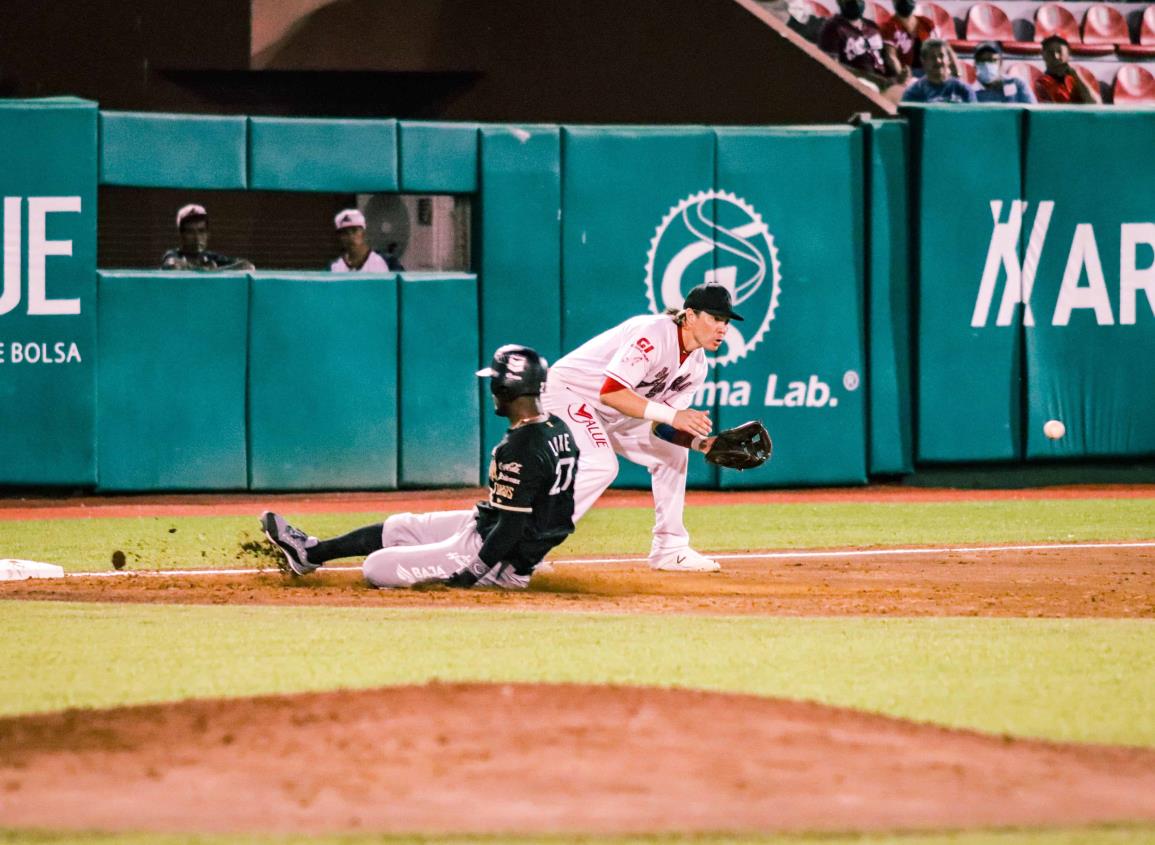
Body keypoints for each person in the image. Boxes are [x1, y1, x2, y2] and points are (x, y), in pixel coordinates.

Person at [261, 344, 580, 590]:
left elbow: (511, 527)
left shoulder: (520, 447)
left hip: (499, 557)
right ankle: (310, 554)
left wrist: (469, 575)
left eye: (494, 382)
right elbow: (549, 514)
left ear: (506, 389)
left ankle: (507, 575)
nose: (491, 390)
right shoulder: (557, 427)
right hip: (495, 531)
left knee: (376, 567)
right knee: (401, 526)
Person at [540, 283, 741, 573]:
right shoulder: (653, 333)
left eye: (725, 321)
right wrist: (674, 416)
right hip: (569, 394)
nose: (722, 328)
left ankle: (670, 548)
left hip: (614, 413)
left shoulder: (697, 365)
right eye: (714, 318)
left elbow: (662, 426)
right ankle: (527, 546)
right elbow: (611, 392)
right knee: (601, 465)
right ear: (689, 316)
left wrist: (700, 444)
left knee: (672, 453)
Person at [818, 0, 905, 96]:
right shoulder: (832, 28)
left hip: (886, 82)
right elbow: (832, 66)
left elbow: (887, 57)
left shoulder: (872, 26)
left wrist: (899, 75)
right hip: (858, 85)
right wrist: (875, 79)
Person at [160, 204, 255, 271]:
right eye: (190, 232)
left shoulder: (211, 257)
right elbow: (172, 265)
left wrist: (215, 270)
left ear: (207, 234)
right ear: (181, 235)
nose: (197, 237)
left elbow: (246, 265)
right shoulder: (173, 254)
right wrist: (206, 270)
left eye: (201, 231)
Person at [901, 39, 976, 102]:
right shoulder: (913, 92)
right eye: (932, 57)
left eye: (941, 56)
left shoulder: (964, 90)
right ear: (923, 61)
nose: (938, 61)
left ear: (949, 59)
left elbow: (974, 117)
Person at [1035, 35, 1102, 104]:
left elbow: (1095, 104)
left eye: (1060, 51)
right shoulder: (1041, 83)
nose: (1056, 57)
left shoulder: (1078, 76)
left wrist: (1077, 77)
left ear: (1069, 53)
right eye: (1050, 53)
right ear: (1042, 54)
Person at [880, 0, 934, 80]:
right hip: (905, 73)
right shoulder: (889, 27)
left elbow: (941, 47)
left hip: (928, 70)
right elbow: (891, 57)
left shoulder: (926, 23)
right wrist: (902, 75)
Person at [329, 208, 391, 272]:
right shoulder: (335, 267)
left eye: (354, 230)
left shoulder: (387, 262)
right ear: (340, 237)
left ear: (363, 232)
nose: (351, 236)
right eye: (345, 233)